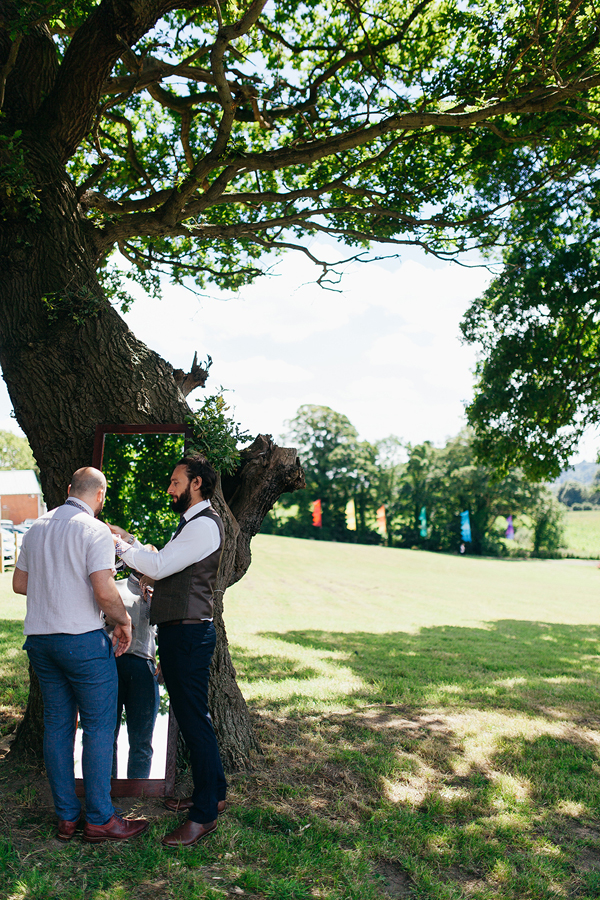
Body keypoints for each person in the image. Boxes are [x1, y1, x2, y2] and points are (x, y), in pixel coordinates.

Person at [12, 467, 149, 844]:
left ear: (70, 489)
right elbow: (105, 591)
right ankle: (101, 818)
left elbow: (19, 583)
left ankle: (67, 818)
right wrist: (123, 622)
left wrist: (56, 585)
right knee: (98, 727)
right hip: (82, 641)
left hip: (40, 640)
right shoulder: (95, 530)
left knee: (57, 725)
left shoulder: (36, 527)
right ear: (100, 497)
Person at [110, 453, 227, 847]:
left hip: (189, 636)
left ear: (196, 483)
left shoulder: (204, 526)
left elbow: (158, 565)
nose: (169, 489)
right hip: (183, 633)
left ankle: (204, 814)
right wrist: (135, 552)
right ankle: (216, 793)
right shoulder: (192, 526)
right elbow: (169, 574)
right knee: (196, 715)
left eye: (176, 481)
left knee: (194, 719)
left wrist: (118, 544)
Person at [109, 552, 160, 779]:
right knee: (107, 736)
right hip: (113, 665)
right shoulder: (114, 587)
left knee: (141, 738)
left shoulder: (160, 596)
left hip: (141, 667)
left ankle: (138, 793)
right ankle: (106, 790)